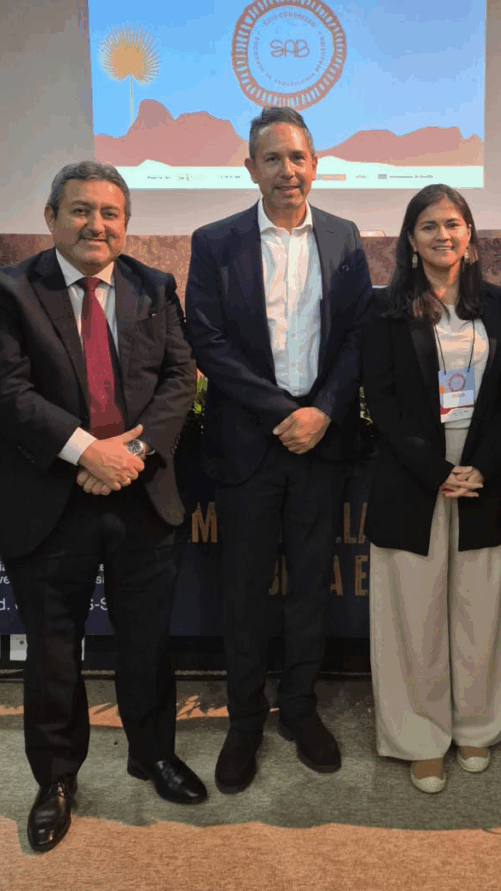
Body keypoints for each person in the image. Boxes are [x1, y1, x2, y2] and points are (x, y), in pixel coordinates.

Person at [0, 161, 205, 853]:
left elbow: (178, 378)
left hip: (139, 492)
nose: (96, 224)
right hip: (46, 497)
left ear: (125, 225)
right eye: (80, 210)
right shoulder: (6, 290)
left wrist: (130, 455)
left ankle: (152, 753)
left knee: (148, 641)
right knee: (55, 651)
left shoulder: (155, 287)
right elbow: (6, 390)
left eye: (110, 213)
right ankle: (57, 780)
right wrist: (84, 452)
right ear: (51, 217)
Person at [186, 107, 372, 793]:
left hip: (320, 445)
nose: (288, 171)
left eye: (298, 158)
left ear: (314, 164)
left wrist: (321, 411)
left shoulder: (346, 239)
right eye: (273, 159)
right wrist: (281, 414)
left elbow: (357, 336)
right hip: (248, 446)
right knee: (243, 591)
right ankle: (244, 721)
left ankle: (298, 707)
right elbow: (207, 341)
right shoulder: (215, 242)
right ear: (251, 168)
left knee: (309, 589)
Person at [362, 185, 501, 794]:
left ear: (470, 234)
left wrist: (482, 463)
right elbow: (383, 400)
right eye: (428, 226)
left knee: (482, 606)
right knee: (414, 610)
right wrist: (435, 470)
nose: (442, 235)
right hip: (413, 472)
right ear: (410, 239)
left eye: (453, 224)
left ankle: (478, 723)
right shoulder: (385, 310)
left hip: (482, 469)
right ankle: (419, 737)